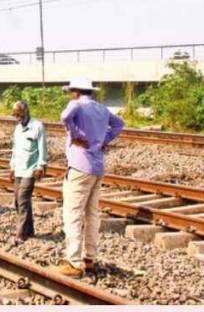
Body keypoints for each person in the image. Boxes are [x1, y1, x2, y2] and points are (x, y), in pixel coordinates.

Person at [54, 78, 124, 278]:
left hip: (79, 166)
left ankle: (74, 262)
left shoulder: (76, 104)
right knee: (92, 214)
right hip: (96, 167)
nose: (69, 95)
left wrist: (74, 133)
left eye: (70, 92)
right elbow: (119, 124)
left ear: (76, 91)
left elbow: (65, 116)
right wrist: (103, 140)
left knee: (73, 213)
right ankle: (89, 258)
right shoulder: (101, 109)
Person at [8, 100, 47, 244]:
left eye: (19, 114)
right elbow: (15, 149)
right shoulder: (17, 129)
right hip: (18, 168)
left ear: (25, 112)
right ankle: (29, 230)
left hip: (31, 169)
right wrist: (12, 167)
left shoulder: (37, 126)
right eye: (15, 115)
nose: (17, 117)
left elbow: (43, 148)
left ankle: (21, 233)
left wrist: (40, 166)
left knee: (23, 199)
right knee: (18, 201)